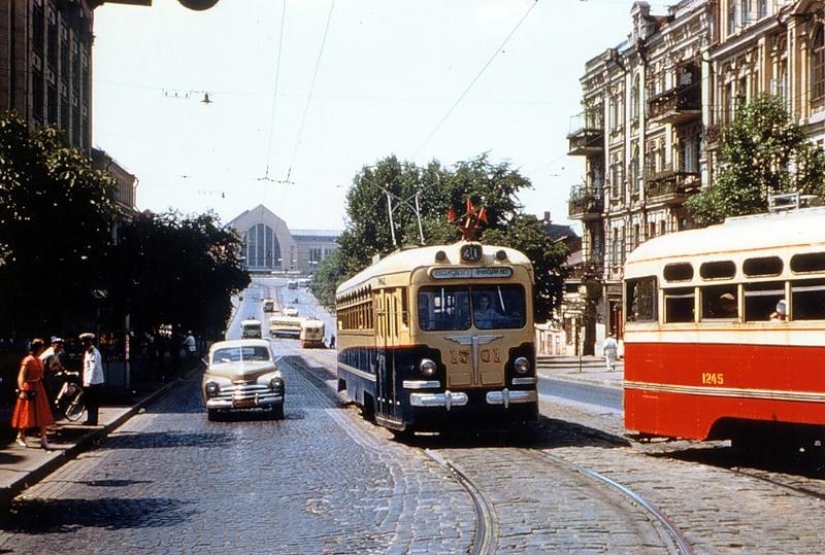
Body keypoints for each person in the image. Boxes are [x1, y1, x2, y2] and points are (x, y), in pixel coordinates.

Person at [11, 338, 55, 449]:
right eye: (42, 347)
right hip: (28, 387)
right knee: (25, 411)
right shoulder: (27, 360)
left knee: (42, 412)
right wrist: (22, 390)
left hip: (38, 387)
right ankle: (20, 436)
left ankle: (44, 439)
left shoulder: (39, 360)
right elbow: (21, 376)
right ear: (38, 348)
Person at [80, 332, 105, 426]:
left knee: (93, 402)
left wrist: (89, 381)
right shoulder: (87, 352)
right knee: (89, 402)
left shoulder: (94, 352)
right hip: (88, 381)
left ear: (90, 341)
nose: (85, 344)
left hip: (94, 382)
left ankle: (93, 420)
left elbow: (93, 368)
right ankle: (90, 419)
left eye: (86, 342)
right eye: (84, 342)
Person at [39, 336, 68, 405]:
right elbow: (47, 367)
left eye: (60, 344)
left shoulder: (57, 352)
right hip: (43, 374)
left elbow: (57, 362)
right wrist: (57, 369)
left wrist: (63, 370)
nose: (59, 345)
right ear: (52, 344)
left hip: (48, 372)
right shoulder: (50, 354)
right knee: (50, 389)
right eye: (57, 344)